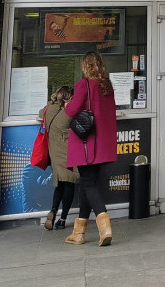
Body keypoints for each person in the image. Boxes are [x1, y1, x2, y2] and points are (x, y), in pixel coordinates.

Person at [64, 51, 118, 246]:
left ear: (85, 66)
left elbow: (72, 110)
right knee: (88, 184)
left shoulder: (84, 84)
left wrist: (66, 104)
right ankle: (78, 233)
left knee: (88, 183)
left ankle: (105, 228)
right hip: (102, 144)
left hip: (87, 144)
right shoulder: (106, 86)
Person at [39, 85, 79, 230]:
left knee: (60, 184)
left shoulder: (48, 109)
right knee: (69, 184)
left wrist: (51, 103)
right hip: (68, 152)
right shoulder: (69, 111)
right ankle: (62, 219)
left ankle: (53, 210)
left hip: (54, 152)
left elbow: (40, 114)